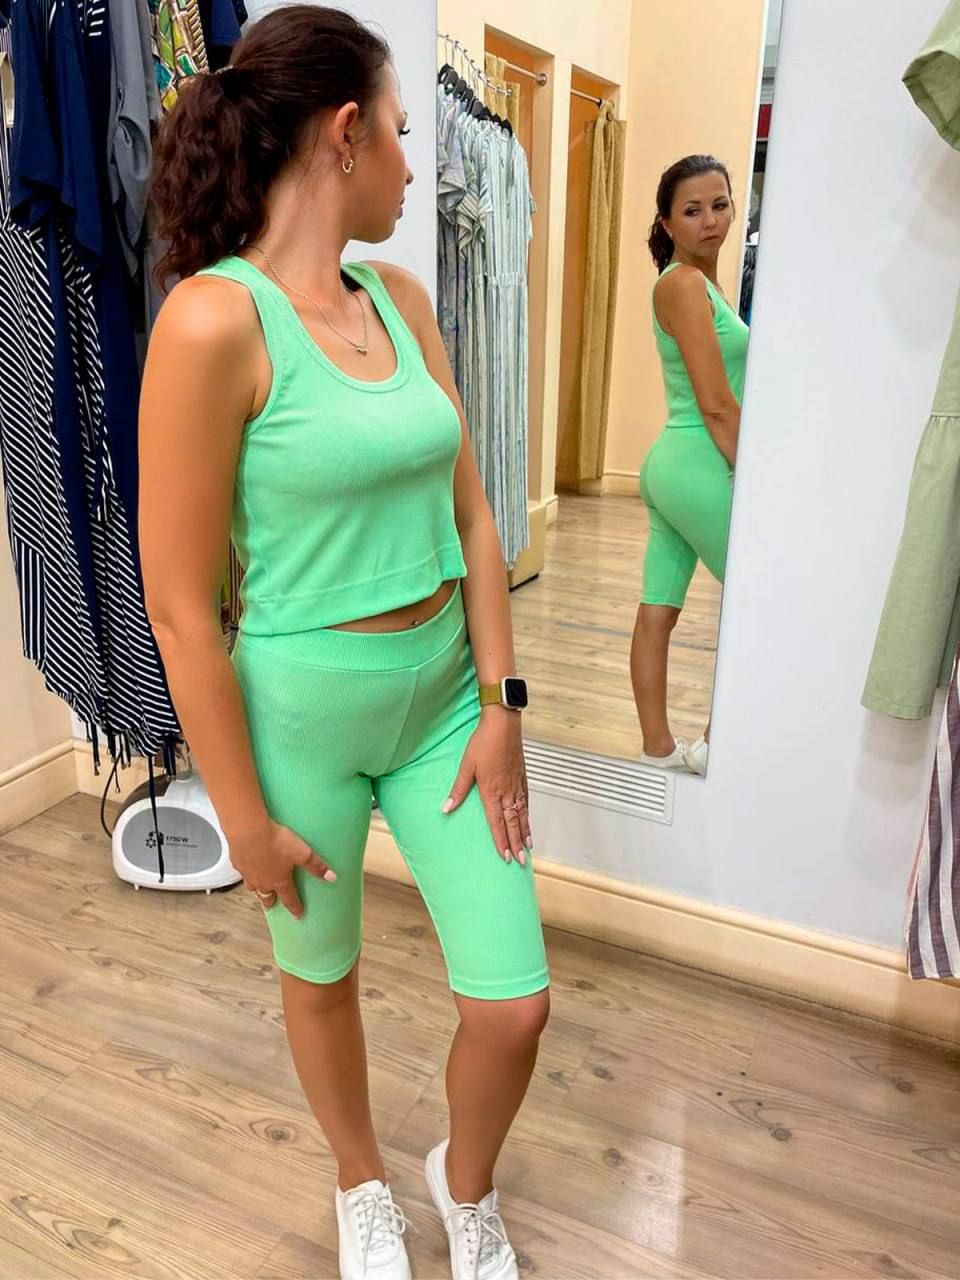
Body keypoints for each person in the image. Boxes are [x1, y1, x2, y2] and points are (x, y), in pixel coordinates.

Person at [139, 9, 549, 1279]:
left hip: (443, 702)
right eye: (405, 135)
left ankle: (462, 1183)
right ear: (345, 132)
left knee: (514, 1002)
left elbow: (474, 515)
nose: (418, 169)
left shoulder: (404, 300)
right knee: (320, 976)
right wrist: (244, 820)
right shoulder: (212, 322)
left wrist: (502, 701)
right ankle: (360, 1179)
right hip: (300, 715)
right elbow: (179, 607)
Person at [632, 155, 750, 777]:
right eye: (693, 210)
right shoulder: (681, 284)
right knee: (756, 598)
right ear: (667, 222)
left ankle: (658, 752)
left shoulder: (704, 285)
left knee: (659, 607)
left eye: (720, 205)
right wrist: (755, 481)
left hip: (676, 466)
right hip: (699, 463)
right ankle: (712, 746)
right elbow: (717, 404)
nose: (710, 221)